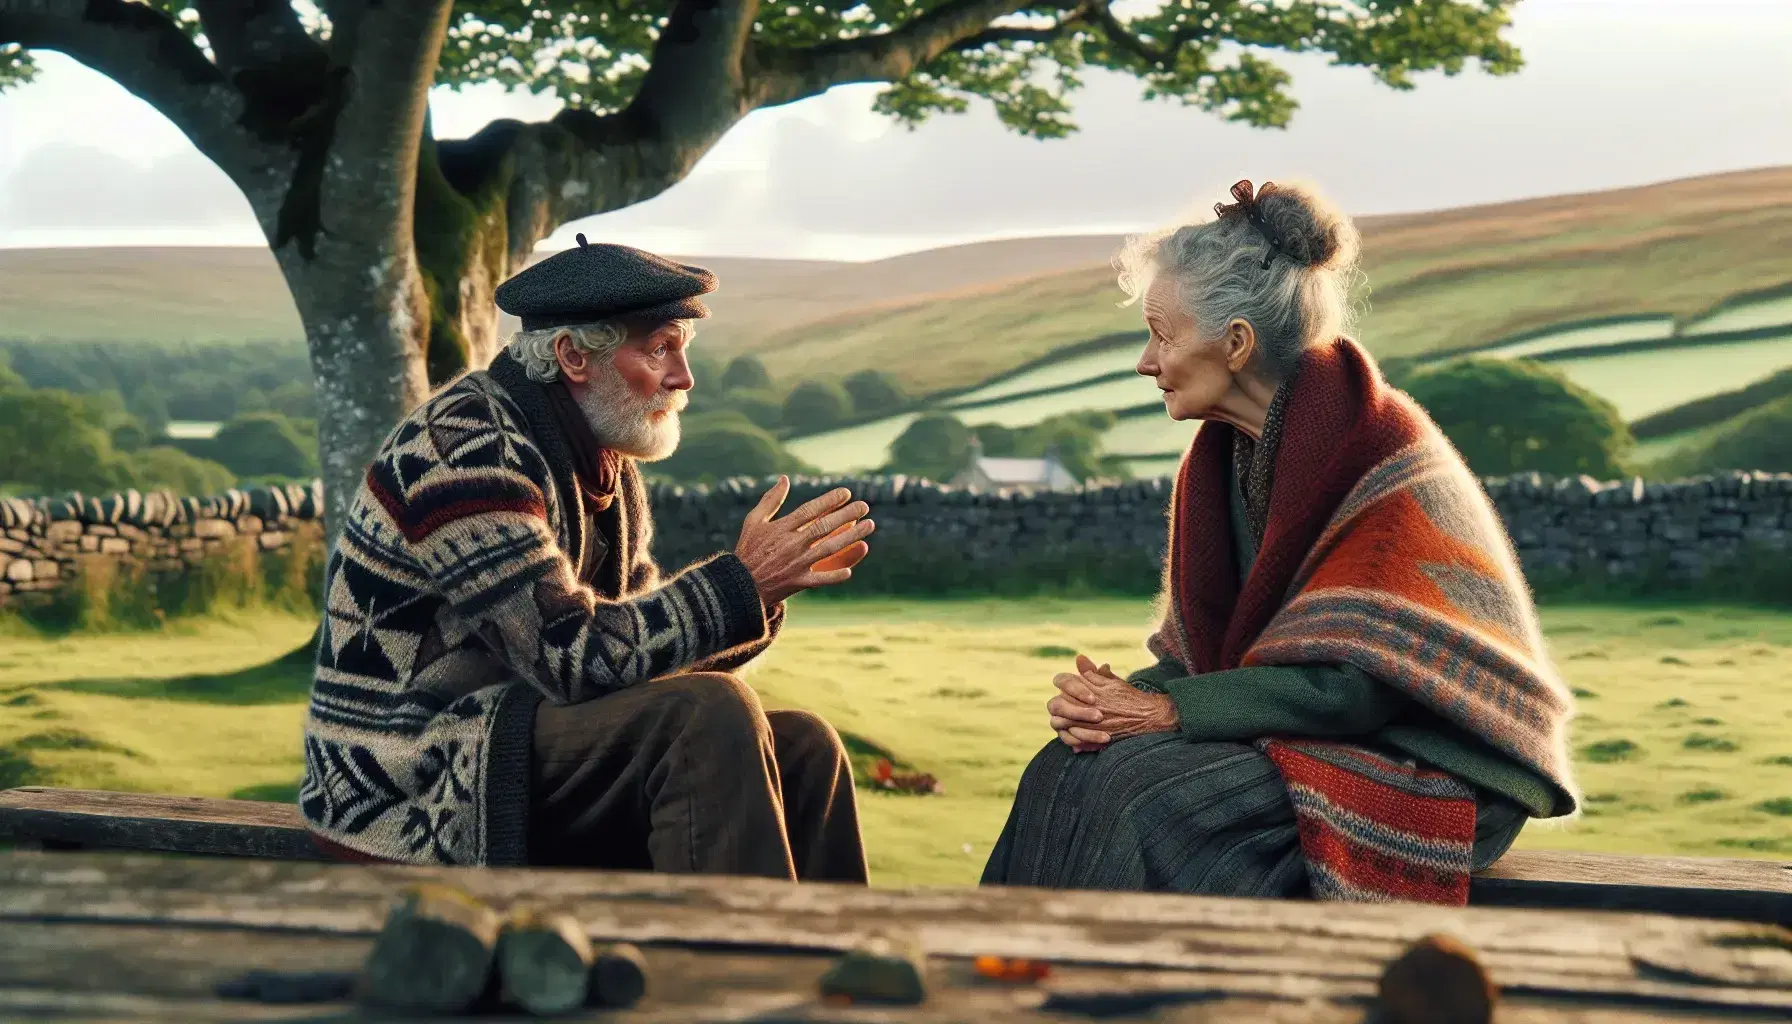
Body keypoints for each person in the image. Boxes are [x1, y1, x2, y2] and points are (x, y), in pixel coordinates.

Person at [981, 181, 1580, 904]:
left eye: (1161, 334)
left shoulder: (1380, 454)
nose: (1146, 361)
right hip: (1319, 730)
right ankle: (1009, 975)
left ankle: (1119, 990)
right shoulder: (1224, 458)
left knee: (1140, 794)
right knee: (1066, 765)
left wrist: (1172, 711)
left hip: (1435, 763)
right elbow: (1212, 658)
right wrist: (1117, 699)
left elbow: (1358, 685)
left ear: (1236, 343)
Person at [299, 235, 876, 881]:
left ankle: (835, 960)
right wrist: (740, 585)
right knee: (705, 716)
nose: (684, 377)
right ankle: (727, 969)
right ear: (573, 356)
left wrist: (759, 594)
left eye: (682, 348)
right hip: (410, 777)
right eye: (660, 347)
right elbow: (572, 658)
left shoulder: (598, 454)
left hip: (512, 733)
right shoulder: (465, 451)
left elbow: (636, 647)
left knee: (805, 747)